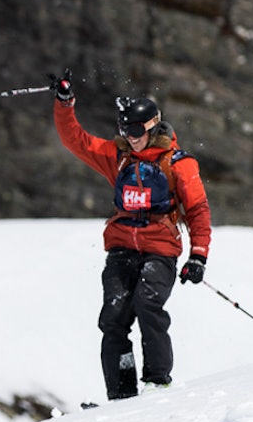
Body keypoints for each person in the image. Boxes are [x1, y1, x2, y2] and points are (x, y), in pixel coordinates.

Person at [48, 69, 212, 401]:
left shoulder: (178, 164)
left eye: (136, 130)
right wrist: (65, 104)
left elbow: (198, 210)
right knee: (113, 317)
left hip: (161, 250)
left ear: (153, 127)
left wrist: (198, 256)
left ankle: (156, 382)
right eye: (125, 130)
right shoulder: (120, 158)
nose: (131, 136)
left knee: (147, 304)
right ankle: (121, 394)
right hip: (122, 248)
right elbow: (75, 140)